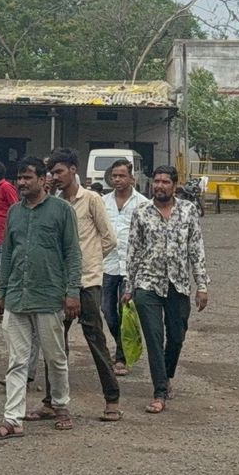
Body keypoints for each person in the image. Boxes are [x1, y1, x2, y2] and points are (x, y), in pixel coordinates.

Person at [0, 156, 81, 441]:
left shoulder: (62, 211)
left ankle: (60, 406)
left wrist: (72, 292)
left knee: (55, 357)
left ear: (42, 180)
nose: (22, 182)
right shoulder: (14, 212)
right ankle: (12, 419)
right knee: (17, 361)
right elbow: (7, 256)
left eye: (28, 177)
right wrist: (1, 294)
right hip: (17, 296)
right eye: (19, 177)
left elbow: (73, 254)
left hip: (49, 296)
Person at [36, 148, 120, 423]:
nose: (55, 176)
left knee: (95, 340)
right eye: (52, 172)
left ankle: (112, 399)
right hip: (58, 285)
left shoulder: (91, 199)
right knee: (54, 344)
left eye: (59, 171)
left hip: (87, 284)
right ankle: (52, 401)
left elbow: (109, 239)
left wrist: (89, 263)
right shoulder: (54, 203)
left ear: (73, 170)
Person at [123, 165, 209, 414]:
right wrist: (129, 287)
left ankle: (167, 375)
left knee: (176, 336)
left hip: (178, 284)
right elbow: (133, 250)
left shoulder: (188, 210)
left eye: (165, 182)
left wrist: (201, 285)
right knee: (154, 337)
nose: (159, 186)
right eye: (156, 181)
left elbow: (196, 249)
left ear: (175, 185)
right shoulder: (141, 212)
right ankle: (159, 392)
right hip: (147, 284)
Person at [102, 159, 147, 375]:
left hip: (131, 268)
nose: (117, 180)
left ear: (131, 178)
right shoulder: (102, 202)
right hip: (107, 265)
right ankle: (123, 345)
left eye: (122, 176)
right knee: (107, 311)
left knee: (124, 311)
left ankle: (121, 356)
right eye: (114, 176)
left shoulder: (143, 204)